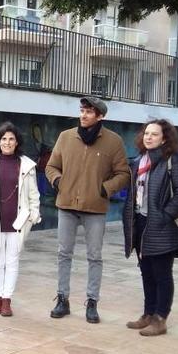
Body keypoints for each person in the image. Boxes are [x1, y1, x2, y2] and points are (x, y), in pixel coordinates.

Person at [45, 97, 130, 323]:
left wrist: (105, 189)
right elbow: (51, 166)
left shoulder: (113, 141)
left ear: (100, 116)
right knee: (64, 254)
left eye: (89, 112)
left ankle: (92, 302)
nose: (83, 115)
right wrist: (58, 182)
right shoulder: (66, 137)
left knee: (95, 256)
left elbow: (123, 174)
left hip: (95, 208)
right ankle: (62, 299)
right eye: (82, 111)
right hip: (67, 205)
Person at [122, 119, 178, 336]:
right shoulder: (138, 162)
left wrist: (165, 216)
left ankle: (160, 319)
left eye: (154, 134)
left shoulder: (173, 161)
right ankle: (148, 314)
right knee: (146, 272)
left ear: (164, 138)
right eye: (146, 133)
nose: (149, 137)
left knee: (162, 274)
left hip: (162, 226)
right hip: (141, 223)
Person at [0, 122, 41, 317]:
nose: (7, 142)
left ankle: (7, 300)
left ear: (17, 141)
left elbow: (33, 195)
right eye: (4, 138)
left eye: (11, 139)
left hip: (17, 221)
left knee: (12, 261)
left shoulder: (27, 165)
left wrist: (33, 215)